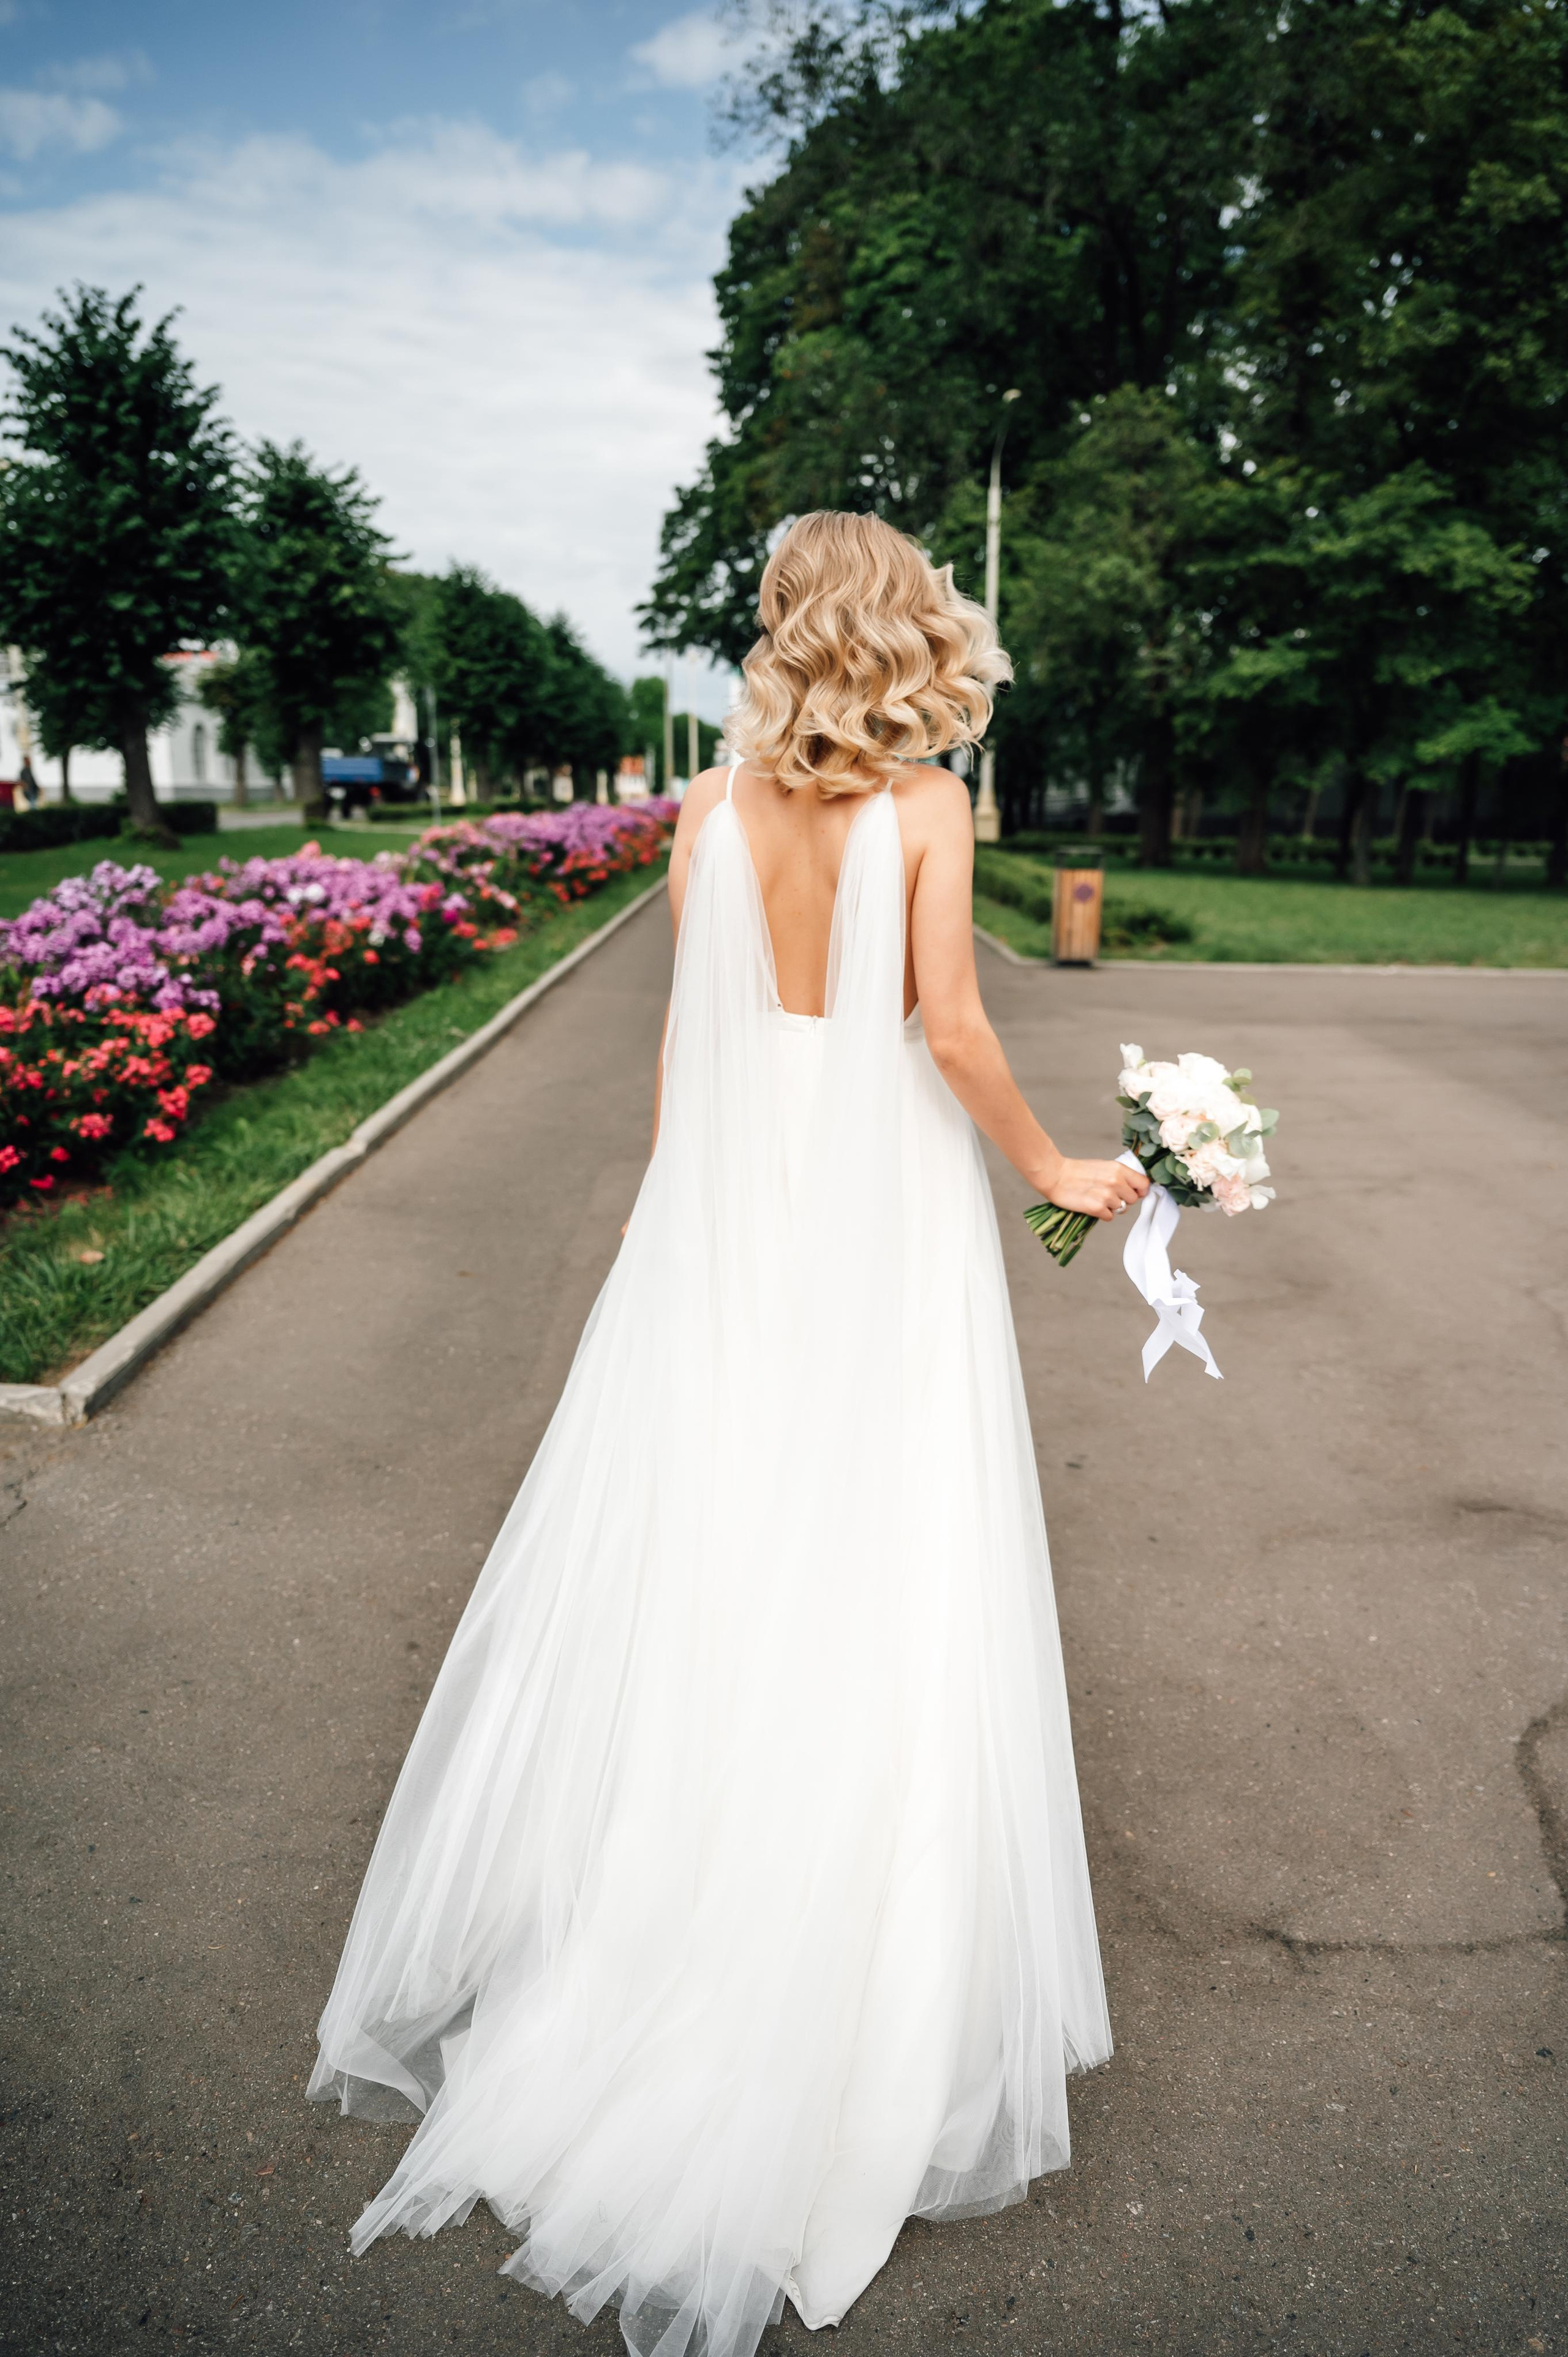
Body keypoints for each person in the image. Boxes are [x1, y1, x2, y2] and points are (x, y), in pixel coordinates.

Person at [309, 510, 1148, 2357]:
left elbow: (690, 1051)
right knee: (886, 1547)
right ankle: (845, 1985)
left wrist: (663, 1233)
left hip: (731, 1213)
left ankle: (666, 1937)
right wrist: (1055, 1173)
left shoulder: (702, 812)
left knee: (718, 1549)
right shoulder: (927, 810)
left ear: (780, 629)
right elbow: (946, 1029)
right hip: (882, 1207)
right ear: (902, 629)